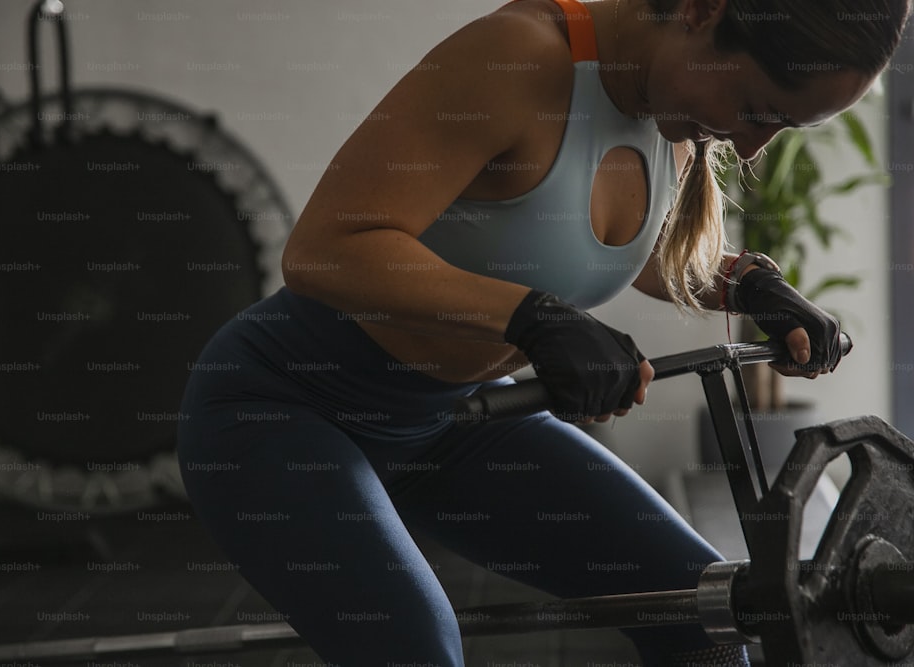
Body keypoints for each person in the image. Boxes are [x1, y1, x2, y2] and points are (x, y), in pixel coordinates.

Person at [177, 0, 911, 664]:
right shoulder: (518, 61)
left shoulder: (671, 115)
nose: (751, 148)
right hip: (283, 404)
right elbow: (324, 248)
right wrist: (532, 316)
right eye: (759, 110)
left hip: (453, 420)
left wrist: (752, 287)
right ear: (701, 11)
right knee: (413, 644)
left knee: (706, 616)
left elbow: (612, 241)